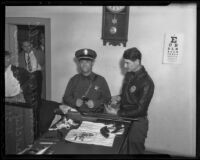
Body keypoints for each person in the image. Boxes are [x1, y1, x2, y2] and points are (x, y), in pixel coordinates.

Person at [105, 47, 154, 154]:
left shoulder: (147, 82)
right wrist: (119, 98)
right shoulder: (129, 74)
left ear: (137, 62)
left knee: (134, 151)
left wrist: (117, 113)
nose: (124, 66)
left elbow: (140, 110)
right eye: (124, 62)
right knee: (120, 149)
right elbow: (128, 95)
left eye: (127, 63)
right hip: (124, 119)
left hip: (137, 122)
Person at [61, 48, 111, 113]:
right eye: (82, 62)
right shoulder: (74, 79)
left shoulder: (101, 80)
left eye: (87, 62)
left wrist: (95, 103)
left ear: (92, 63)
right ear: (79, 63)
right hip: (77, 115)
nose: (84, 64)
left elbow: (108, 98)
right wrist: (75, 101)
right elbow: (65, 98)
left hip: (95, 116)